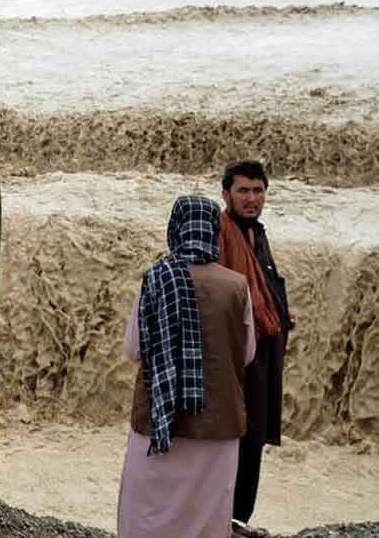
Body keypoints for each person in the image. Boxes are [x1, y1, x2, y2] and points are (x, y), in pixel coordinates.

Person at [117, 196, 256, 538]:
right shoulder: (237, 285)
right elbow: (248, 354)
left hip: (160, 420)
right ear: (213, 231)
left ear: (175, 228)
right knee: (208, 516)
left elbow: (133, 349)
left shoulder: (156, 278)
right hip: (219, 421)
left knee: (147, 513)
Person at [218, 161, 295, 538]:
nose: (252, 199)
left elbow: (261, 287)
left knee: (253, 440)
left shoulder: (257, 234)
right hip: (236, 357)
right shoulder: (220, 233)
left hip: (262, 353)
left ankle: (237, 522)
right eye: (244, 191)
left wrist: (281, 312)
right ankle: (221, 521)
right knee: (234, 438)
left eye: (258, 191)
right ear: (226, 195)